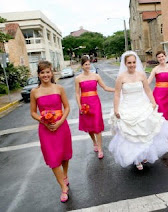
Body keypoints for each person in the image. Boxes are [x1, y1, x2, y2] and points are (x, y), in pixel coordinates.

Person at [108, 51, 168, 170]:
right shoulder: (121, 77)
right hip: (128, 107)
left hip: (141, 105)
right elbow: (117, 94)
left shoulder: (141, 75)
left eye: (134, 62)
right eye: (129, 63)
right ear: (125, 63)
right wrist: (116, 109)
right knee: (131, 134)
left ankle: (143, 155)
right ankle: (136, 158)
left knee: (145, 132)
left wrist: (153, 102)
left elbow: (148, 90)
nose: (132, 65)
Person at [30, 61, 72, 203]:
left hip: (61, 126)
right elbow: (33, 112)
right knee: (54, 159)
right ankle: (63, 188)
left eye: (47, 72)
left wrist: (59, 122)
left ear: (52, 73)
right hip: (45, 129)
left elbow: (66, 107)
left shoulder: (59, 88)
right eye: (42, 72)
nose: (45, 75)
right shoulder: (34, 92)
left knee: (65, 156)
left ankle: (65, 175)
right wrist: (44, 121)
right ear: (39, 75)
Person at [75, 56, 114, 159]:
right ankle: (94, 142)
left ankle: (100, 149)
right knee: (89, 127)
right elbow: (77, 93)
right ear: (82, 66)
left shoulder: (96, 76)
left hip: (95, 103)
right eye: (85, 65)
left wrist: (116, 90)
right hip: (84, 103)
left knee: (97, 126)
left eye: (88, 64)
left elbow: (105, 87)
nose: (87, 66)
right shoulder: (78, 78)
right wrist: (80, 106)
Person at [147, 50, 168, 147]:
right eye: (159, 57)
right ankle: (162, 137)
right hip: (158, 94)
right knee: (160, 116)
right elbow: (149, 81)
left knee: (166, 116)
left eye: (162, 56)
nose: (161, 58)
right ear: (157, 59)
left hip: (167, 93)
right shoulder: (155, 69)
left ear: (165, 56)